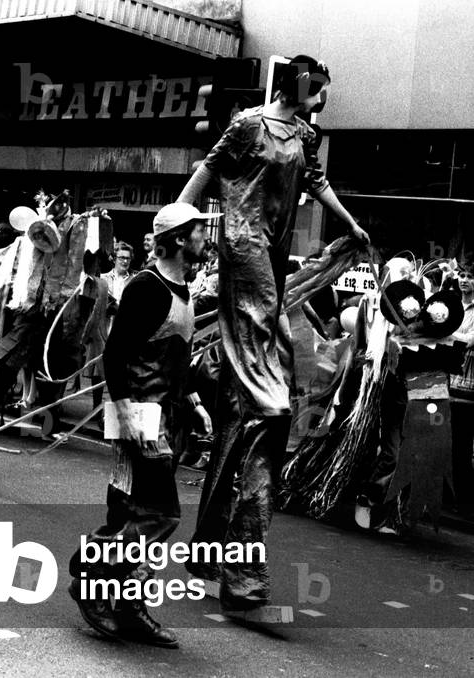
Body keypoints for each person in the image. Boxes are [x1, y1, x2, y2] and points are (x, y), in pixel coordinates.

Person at [178, 54, 369, 611]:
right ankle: (270, 391)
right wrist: (176, 219)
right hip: (243, 244)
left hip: (274, 249)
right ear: (300, 84)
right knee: (270, 404)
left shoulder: (304, 136)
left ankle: (210, 552)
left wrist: (349, 222)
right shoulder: (248, 125)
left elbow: (317, 183)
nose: (324, 99)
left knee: (241, 415)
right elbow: (208, 169)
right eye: (319, 89)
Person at [68, 203, 214, 647]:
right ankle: (89, 572)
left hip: (164, 415)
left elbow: (176, 357)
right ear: (177, 240)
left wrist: (193, 399)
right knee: (162, 514)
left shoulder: (183, 287)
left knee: (130, 510)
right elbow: (115, 354)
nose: (204, 240)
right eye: (198, 233)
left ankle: (130, 607)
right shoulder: (146, 288)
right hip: (139, 415)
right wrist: (127, 409)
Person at [447, 263, 474, 517]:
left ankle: (464, 502)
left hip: (469, 387)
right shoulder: (453, 304)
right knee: (448, 441)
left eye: (470, 277)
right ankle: (450, 496)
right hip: (449, 385)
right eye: (462, 275)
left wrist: (449, 336)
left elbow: (468, 341)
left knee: (463, 445)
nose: (464, 280)